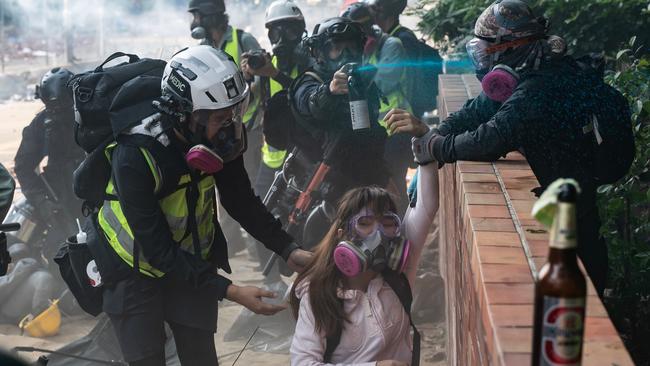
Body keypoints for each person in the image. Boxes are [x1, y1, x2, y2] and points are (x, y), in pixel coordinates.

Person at [96, 46, 312, 366]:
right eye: (220, 118)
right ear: (185, 113)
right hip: (133, 267)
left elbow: (240, 200)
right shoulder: (136, 154)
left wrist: (288, 248)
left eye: (234, 113)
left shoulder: (216, 140)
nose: (228, 126)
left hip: (191, 261)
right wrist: (230, 290)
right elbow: (157, 250)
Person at [402, 0, 620, 294]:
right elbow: (474, 112)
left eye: (485, 48)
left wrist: (439, 148)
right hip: (554, 187)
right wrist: (438, 132)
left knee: (581, 284)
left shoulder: (540, 85)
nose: (481, 58)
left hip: (571, 201)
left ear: (510, 46)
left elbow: (491, 137)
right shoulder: (523, 73)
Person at [289, 117, 439, 365]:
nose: (378, 233)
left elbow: (426, 206)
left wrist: (424, 139)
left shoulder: (398, 275)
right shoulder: (320, 295)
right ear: (342, 234)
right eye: (365, 223)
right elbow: (303, 363)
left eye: (387, 223)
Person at [188, 0, 266, 254]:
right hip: (220, 129)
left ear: (210, 17)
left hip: (248, 127)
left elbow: (264, 78)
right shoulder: (204, 49)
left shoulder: (244, 40)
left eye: (198, 16)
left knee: (247, 188)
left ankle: (258, 247)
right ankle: (233, 243)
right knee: (224, 188)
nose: (194, 22)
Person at [290, 17, 391, 202]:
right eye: (337, 48)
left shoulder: (362, 82)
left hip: (365, 175)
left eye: (350, 47)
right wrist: (329, 91)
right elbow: (310, 103)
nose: (346, 54)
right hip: (322, 187)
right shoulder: (309, 81)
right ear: (319, 52)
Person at [344, 2, 412, 214]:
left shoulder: (391, 45)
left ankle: (402, 231)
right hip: (371, 132)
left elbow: (381, 84)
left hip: (395, 128)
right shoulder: (353, 53)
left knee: (393, 186)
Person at [241, 0, 312, 196]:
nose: (282, 39)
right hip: (273, 156)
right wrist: (246, 78)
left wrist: (274, 74)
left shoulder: (311, 62)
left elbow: (305, 96)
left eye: (289, 32)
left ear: (300, 31)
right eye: (275, 33)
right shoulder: (266, 66)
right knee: (263, 205)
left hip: (305, 154)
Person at [13, 67, 84, 251]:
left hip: (93, 194)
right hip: (60, 201)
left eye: (63, 106)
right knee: (59, 251)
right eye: (53, 107)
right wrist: (41, 201)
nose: (58, 112)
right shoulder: (41, 125)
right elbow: (23, 167)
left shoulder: (89, 114)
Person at [367, 0, 443, 119]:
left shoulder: (401, 41)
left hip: (406, 113)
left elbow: (410, 80)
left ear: (384, 13)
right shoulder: (396, 36)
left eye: (376, 10)